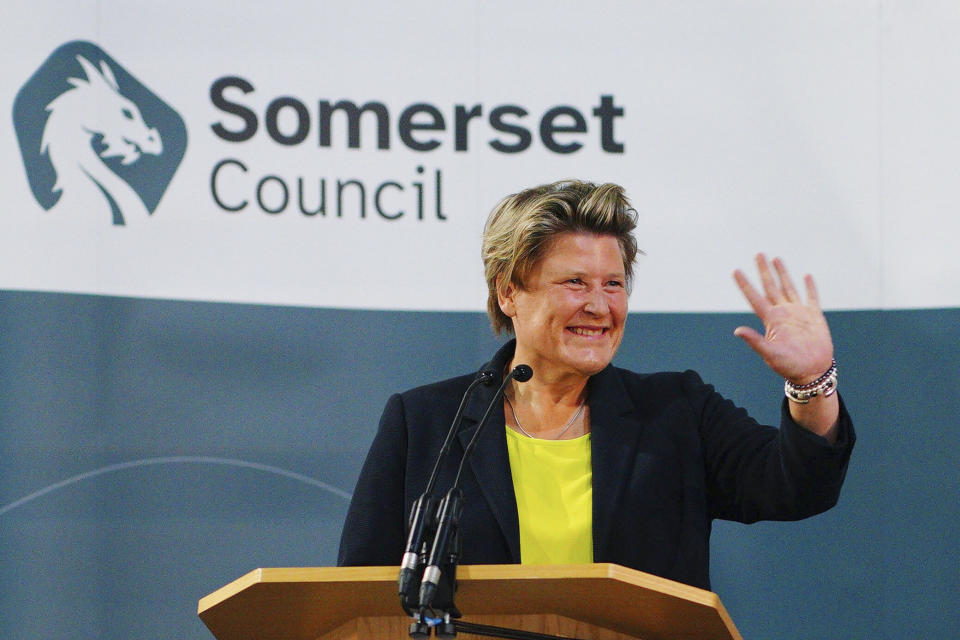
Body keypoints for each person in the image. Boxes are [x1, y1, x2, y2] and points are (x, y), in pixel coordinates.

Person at [338, 180, 854, 590]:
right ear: (510, 290)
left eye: (613, 283)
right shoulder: (426, 421)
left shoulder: (676, 411)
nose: (600, 305)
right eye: (574, 283)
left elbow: (795, 488)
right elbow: (359, 594)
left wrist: (813, 383)